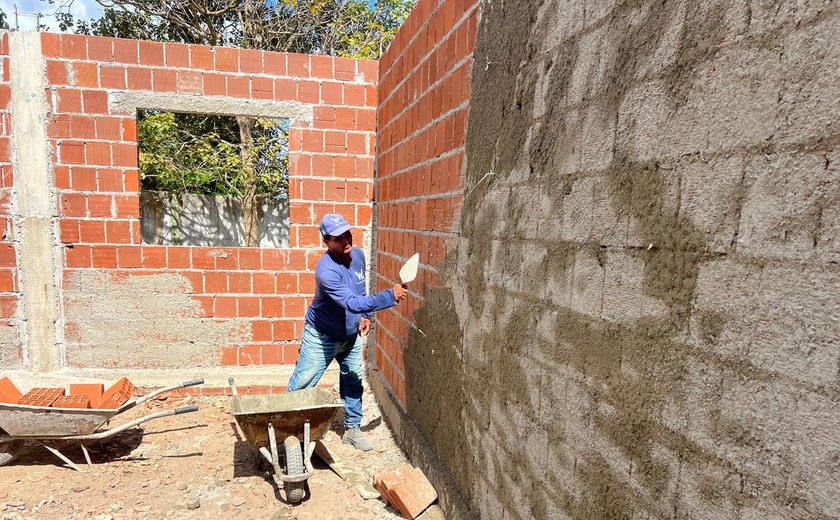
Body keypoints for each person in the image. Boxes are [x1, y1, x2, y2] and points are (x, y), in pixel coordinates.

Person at [287, 213, 408, 451]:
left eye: (347, 234)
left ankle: (352, 431)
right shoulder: (327, 271)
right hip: (321, 336)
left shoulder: (359, 256)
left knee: (353, 381)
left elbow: (360, 292)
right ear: (326, 242)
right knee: (302, 384)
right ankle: (288, 433)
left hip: (350, 335)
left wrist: (367, 316)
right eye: (337, 238)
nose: (345, 240)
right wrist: (389, 296)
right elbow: (351, 302)